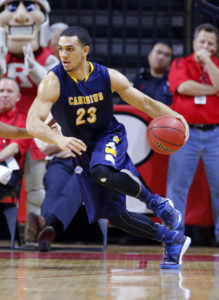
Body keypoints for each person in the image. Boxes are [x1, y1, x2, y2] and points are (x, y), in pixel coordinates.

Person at [26, 26, 191, 269]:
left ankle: (157, 203)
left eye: (70, 49)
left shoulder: (107, 76)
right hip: (81, 149)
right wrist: (59, 139)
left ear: (85, 51)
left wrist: (177, 117)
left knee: (101, 171)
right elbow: (32, 123)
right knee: (116, 217)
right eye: (61, 49)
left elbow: (145, 102)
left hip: (107, 135)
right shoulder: (53, 81)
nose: (63, 54)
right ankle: (173, 240)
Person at [0, 0, 59, 240]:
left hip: (35, 127)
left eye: (30, 8)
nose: (22, 16)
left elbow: (56, 86)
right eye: (12, 8)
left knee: (36, 187)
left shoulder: (48, 57)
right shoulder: (2, 54)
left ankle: (33, 232)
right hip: (7, 127)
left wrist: (34, 68)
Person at [166, 23, 219, 245]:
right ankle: (174, 236)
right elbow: (183, 87)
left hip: (215, 133)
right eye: (202, 42)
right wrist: (213, 90)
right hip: (185, 134)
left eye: (211, 43)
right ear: (194, 43)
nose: (206, 46)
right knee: (177, 187)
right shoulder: (180, 63)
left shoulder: (215, 64)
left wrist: (207, 61)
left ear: (216, 46)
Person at [0, 77, 30, 198]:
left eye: (9, 91)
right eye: (1, 91)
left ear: (18, 97)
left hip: (8, 173)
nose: (5, 95)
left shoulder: (23, 121)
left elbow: (14, 148)